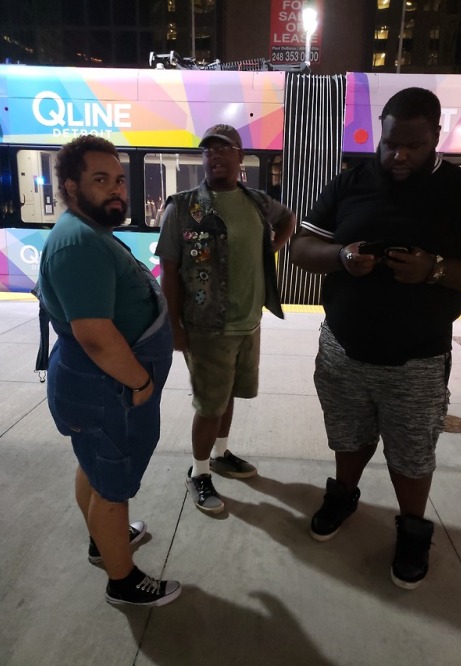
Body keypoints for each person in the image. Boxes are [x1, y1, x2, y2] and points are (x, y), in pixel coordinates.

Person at [290, 87, 461, 589]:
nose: (397, 155)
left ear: (436, 138)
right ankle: (344, 495)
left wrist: (436, 268)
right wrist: (340, 258)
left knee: (412, 450)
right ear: (379, 133)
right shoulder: (351, 181)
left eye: (413, 145)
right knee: (347, 434)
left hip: (418, 358)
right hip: (342, 347)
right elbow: (299, 245)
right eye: (389, 143)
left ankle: (413, 528)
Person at [38, 135, 181, 607]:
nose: (116, 189)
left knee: (96, 468)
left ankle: (105, 543)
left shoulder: (88, 231)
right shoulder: (78, 243)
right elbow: (96, 336)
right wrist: (140, 381)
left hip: (102, 388)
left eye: (119, 179)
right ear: (71, 186)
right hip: (109, 390)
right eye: (101, 180)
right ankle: (123, 582)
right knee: (113, 486)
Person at [156, 124, 295, 514]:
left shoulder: (255, 200)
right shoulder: (182, 206)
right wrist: (175, 327)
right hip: (206, 327)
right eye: (208, 151)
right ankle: (199, 473)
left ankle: (221, 453)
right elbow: (169, 269)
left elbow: (289, 220)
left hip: (249, 323)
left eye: (224, 149)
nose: (215, 156)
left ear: (240, 157)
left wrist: (271, 249)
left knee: (229, 393)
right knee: (210, 404)